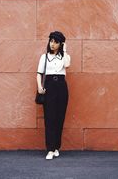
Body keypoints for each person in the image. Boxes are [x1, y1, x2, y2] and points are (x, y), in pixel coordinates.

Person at [36, 31, 71, 160]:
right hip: (49, 87)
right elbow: (39, 73)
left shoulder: (64, 57)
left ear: (60, 44)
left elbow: (67, 65)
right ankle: (50, 149)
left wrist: (65, 49)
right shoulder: (44, 57)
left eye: (56, 42)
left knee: (59, 118)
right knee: (49, 118)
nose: (52, 44)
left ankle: (56, 147)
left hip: (61, 87)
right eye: (51, 41)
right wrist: (40, 86)